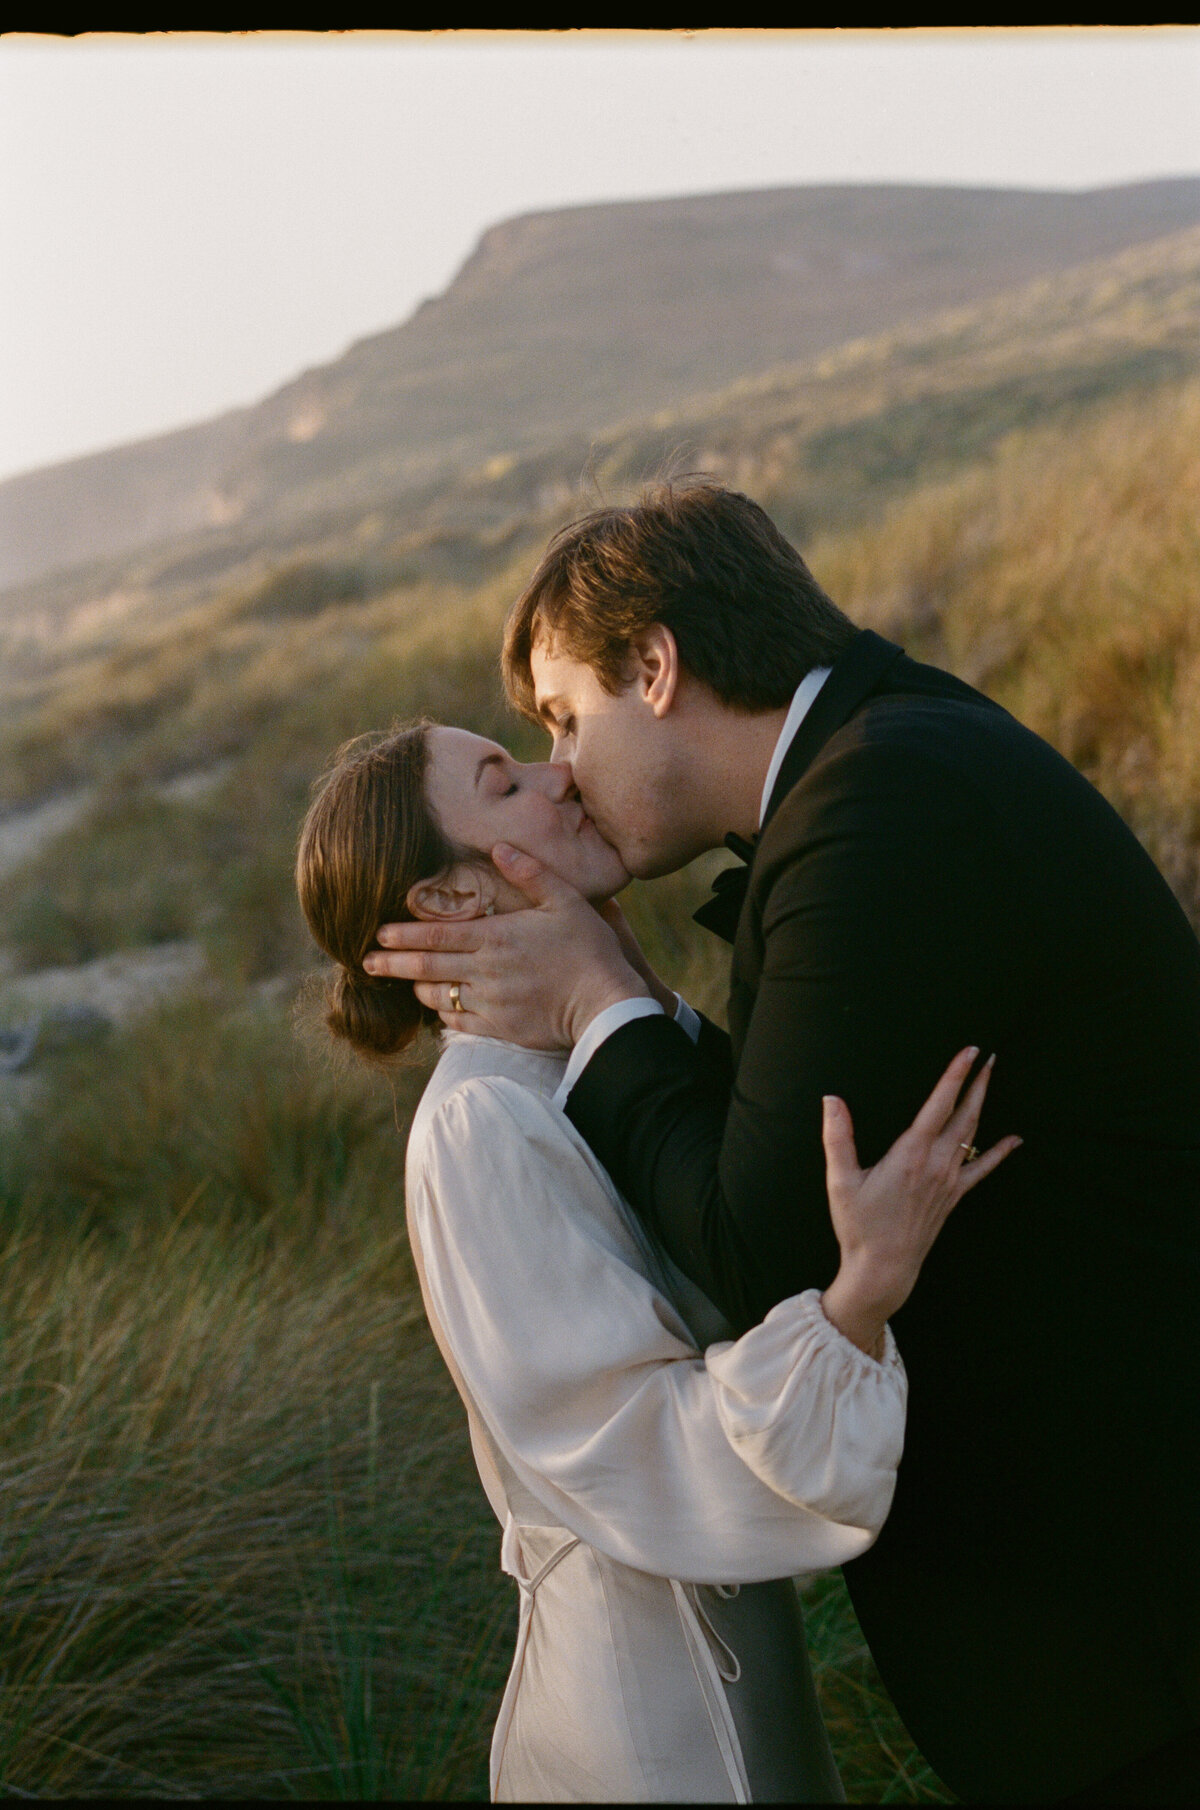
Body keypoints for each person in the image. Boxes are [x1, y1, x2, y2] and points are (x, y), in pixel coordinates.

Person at [365, 480, 1200, 1805]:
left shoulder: (879, 813)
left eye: (568, 718)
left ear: (656, 664)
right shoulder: (892, 758)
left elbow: (760, 1246)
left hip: (1125, 1624)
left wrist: (603, 996)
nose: (565, 769)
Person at [296, 720, 1016, 1803]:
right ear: (450, 900)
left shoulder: (582, 1060)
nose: (560, 773)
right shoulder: (479, 1121)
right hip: (647, 1723)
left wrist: (626, 994)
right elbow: (626, 1440)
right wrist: (858, 1297)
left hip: (737, 1657)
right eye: (507, 780)